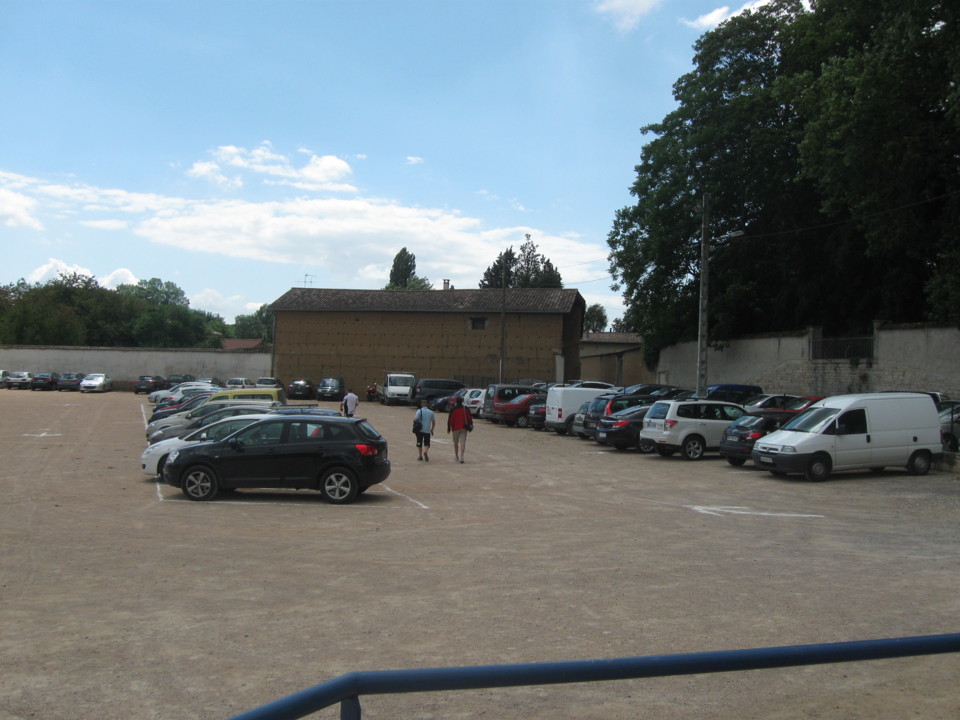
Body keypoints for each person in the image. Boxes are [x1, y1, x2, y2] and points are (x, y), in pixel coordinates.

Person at [447, 396, 472, 463]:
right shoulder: (466, 409)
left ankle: (456, 456)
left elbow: (450, 419)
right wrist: (470, 425)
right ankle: (462, 457)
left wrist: (449, 427)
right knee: (462, 442)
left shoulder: (453, 409)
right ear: (462, 401)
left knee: (455, 442)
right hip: (464, 427)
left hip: (455, 428)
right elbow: (469, 418)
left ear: (456, 401)